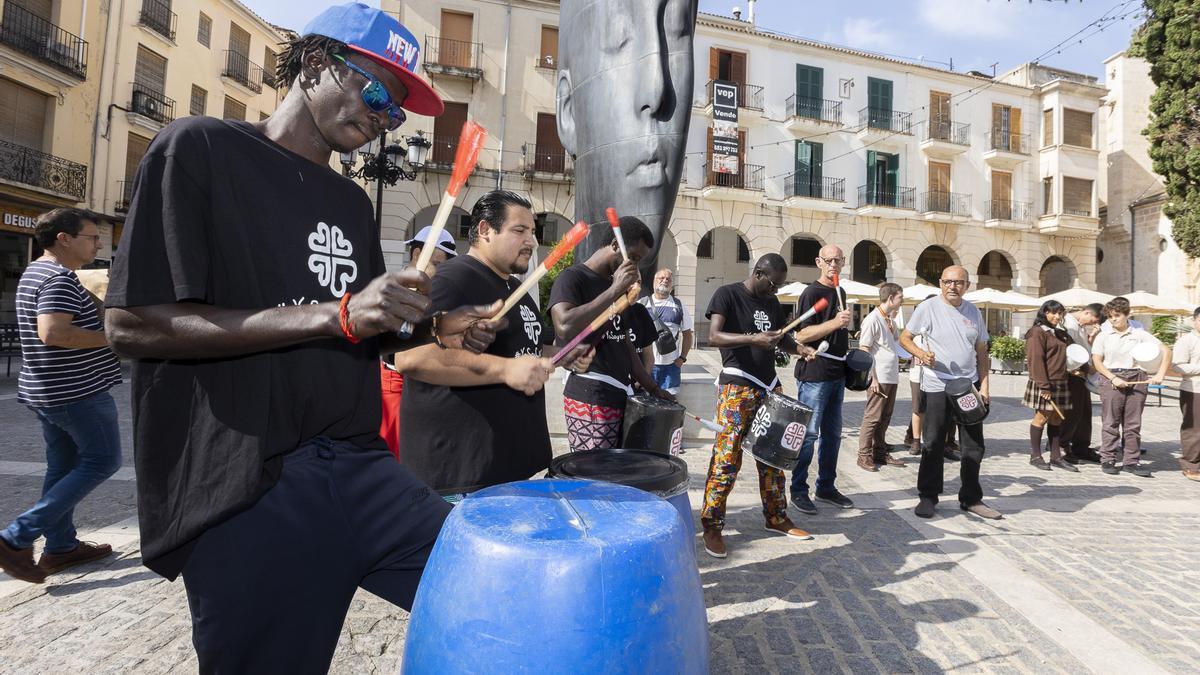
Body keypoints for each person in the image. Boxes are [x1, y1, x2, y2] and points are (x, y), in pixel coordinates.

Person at [102, 6, 506, 670]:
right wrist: (338, 314)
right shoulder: (200, 147)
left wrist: (434, 325)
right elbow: (131, 322)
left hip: (363, 470)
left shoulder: (351, 202)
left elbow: (365, 329)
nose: (382, 119)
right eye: (377, 92)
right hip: (251, 485)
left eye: (395, 113)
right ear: (317, 63)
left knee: (497, 594)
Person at [399, 190, 592, 499]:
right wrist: (504, 370)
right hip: (462, 482)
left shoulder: (516, 287)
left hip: (511, 475)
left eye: (532, 232)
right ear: (485, 230)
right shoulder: (453, 278)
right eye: (520, 230)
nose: (531, 241)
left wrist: (563, 356)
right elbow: (411, 357)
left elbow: (525, 348)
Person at [0, 209, 123, 584]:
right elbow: (53, 333)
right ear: (64, 239)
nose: (98, 243)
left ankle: (61, 547)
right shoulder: (58, 278)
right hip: (76, 391)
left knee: (63, 467)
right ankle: (16, 536)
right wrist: (115, 337)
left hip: (49, 389)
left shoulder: (38, 272)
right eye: (91, 236)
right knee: (103, 461)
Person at [555, 0, 696, 270]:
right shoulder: (572, 290)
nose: (657, 92)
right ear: (568, 110)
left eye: (677, 30)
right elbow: (566, 315)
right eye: (617, 35)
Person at [700, 254, 816, 558]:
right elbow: (713, 337)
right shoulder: (727, 294)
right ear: (759, 273)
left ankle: (776, 517)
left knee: (773, 457)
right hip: (737, 385)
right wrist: (752, 339)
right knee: (727, 457)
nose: (775, 291)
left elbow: (779, 339)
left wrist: (799, 348)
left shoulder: (772, 303)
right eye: (773, 285)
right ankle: (712, 524)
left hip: (768, 386)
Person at [549, 216, 672, 452]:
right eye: (633, 258)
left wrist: (654, 389)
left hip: (618, 394)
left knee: (614, 475)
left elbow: (625, 347)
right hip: (590, 395)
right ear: (616, 246)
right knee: (593, 474)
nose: (635, 266)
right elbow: (564, 325)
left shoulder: (615, 286)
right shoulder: (573, 278)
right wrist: (615, 290)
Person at [899, 265, 1001, 520]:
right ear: (940, 283)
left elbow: (981, 352)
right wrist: (922, 354)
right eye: (947, 282)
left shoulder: (974, 312)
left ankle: (971, 498)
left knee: (973, 445)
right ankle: (928, 496)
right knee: (932, 442)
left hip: (967, 386)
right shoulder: (928, 308)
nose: (952, 286)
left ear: (967, 286)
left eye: (958, 282)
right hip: (936, 384)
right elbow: (905, 338)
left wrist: (985, 386)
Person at [378, 226, 458, 458]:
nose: (442, 272)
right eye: (439, 264)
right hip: (394, 387)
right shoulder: (393, 289)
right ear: (416, 254)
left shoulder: (434, 293)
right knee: (394, 462)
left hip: (424, 388)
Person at [789, 245, 855, 515]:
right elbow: (801, 335)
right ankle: (798, 490)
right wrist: (835, 324)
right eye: (829, 261)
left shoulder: (840, 292)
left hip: (837, 374)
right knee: (808, 435)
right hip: (815, 374)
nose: (834, 266)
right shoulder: (811, 293)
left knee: (832, 435)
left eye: (838, 260)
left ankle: (826, 486)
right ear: (819, 262)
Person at [1091, 297, 1169, 478]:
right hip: (1111, 377)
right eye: (1110, 317)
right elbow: (1097, 361)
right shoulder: (1103, 335)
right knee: (1110, 421)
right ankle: (1108, 459)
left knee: (1133, 424)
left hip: (1136, 378)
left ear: (1127, 315)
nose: (1113, 320)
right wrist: (1113, 378)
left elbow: (1166, 350)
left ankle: (1131, 462)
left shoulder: (1139, 334)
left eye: (1117, 316)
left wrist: (1160, 374)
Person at [1022, 300, 1078, 472]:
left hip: (1061, 381)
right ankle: (1036, 456)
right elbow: (1035, 360)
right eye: (1053, 312)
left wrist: (1082, 367)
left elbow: (1073, 351)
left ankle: (1055, 457)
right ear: (1044, 312)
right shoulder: (1036, 332)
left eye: (1060, 313)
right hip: (1044, 381)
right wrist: (1044, 386)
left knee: (1056, 418)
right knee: (1042, 417)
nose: (1057, 316)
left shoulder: (1060, 334)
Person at [857, 283, 907, 471]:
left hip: (891, 375)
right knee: (872, 417)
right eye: (900, 297)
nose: (902, 301)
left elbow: (894, 346)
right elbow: (864, 349)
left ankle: (879, 452)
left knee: (885, 417)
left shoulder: (890, 321)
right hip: (880, 376)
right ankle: (863, 455)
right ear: (891, 297)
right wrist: (873, 378)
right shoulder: (872, 319)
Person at [1058, 303, 1103, 464]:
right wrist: (1084, 367)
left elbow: (1084, 348)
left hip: (1082, 374)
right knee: (1072, 412)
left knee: (1084, 412)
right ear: (1086, 312)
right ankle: (1062, 446)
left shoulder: (1080, 326)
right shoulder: (1068, 324)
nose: (1093, 324)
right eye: (1093, 320)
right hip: (1073, 373)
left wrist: (1093, 338)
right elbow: (1069, 348)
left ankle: (1081, 446)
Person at [638, 268, 693, 394]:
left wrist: (682, 359)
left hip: (670, 367)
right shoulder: (642, 304)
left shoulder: (679, 306)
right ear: (654, 282)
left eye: (668, 279)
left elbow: (688, 335)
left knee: (669, 405)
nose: (665, 281)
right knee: (645, 403)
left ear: (672, 285)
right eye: (661, 278)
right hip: (646, 366)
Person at [1171, 307, 1200, 482]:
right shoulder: (1186, 341)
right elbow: (1177, 366)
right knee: (1194, 429)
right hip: (1194, 389)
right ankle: (1191, 465)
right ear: (1195, 320)